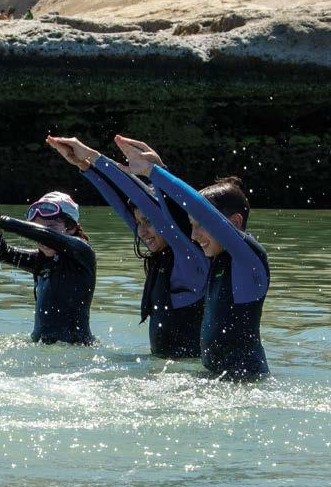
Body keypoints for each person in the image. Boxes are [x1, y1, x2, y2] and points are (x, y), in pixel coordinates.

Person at [114, 135, 270, 380]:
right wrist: (93, 163)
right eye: (192, 226)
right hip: (215, 381)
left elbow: (196, 206)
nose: (194, 236)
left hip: (246, 384)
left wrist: (155, 172)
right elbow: (171, 213)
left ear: (234, 222)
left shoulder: (250, 260)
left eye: (201, 225)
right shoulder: (217, 260)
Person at [46, 136, 209, 358]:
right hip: (165, 371)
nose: (141, 231)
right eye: (138, 223)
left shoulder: (190, 259)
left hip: (191, 374)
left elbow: (147, 203)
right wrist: (85, 167)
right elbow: (121, 205)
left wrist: (95, 157)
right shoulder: (163, 254)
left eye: (148, 221)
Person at [0, 192, 95, 345]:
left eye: (51, 227)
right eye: (38, 227)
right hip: (41, 346)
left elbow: (45, 235)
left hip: (77, 349)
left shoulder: (83, 252)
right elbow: (3, 254)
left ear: (70, 228)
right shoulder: (42, 260)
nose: (41, 238)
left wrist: (2, 221)